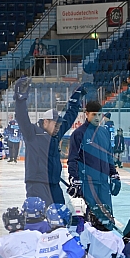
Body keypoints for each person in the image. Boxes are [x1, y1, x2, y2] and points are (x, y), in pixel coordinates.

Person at [14, 77, 86, 206]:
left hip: (54, 184)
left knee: (61, 216)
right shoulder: (32, 133)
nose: (58, 127)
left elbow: (69, 117)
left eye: (59, 125)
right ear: (45, 121)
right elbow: (21, 117)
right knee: (40, 217)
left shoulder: (55, 134)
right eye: (56, 124)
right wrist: (20, 98)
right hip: (36, 184)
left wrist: (75, 99)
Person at [67, 100, 120, 215]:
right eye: (94, 114)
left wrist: (114, 174)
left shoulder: (104, 132)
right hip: (88, 184)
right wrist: (74, 178)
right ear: (86, 114)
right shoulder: (78, 134)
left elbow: (109, 156)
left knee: (107, 216)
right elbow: (73, 159)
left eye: (99, 114)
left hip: (104, 183)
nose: (97, 117)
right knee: (92, 218)